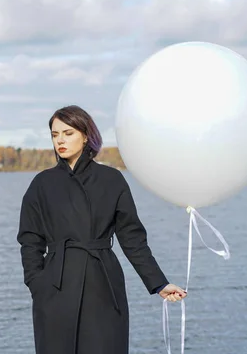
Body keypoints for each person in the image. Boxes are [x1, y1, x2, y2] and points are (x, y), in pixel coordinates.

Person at [17, 105, 187, 354]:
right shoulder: (42, 184)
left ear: (86, 135)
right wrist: (36, 283)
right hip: (55, 287)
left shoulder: (111, 179)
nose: (60, 140)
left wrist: (159, 283)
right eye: (55, 135)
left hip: (103, 284)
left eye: (68, 133)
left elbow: (132, 239)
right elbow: (30, 239)